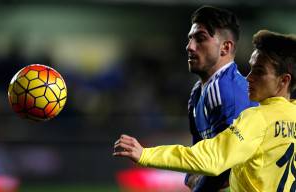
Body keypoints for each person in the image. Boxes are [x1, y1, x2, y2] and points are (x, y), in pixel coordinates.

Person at [113, 30, 296, 192]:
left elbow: (211, 158)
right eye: (251, 69)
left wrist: (145, 154)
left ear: (283, 80)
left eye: (259, 71)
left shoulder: (258, 118)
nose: (249, 78)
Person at [182, 5, 257, 191]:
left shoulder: (227, 92)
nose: (189, 47)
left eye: (200, 39)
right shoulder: (197, 93)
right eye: (190, 39)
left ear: (225, 47)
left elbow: (225, 166)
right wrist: (191, 176)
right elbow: (200, 153)